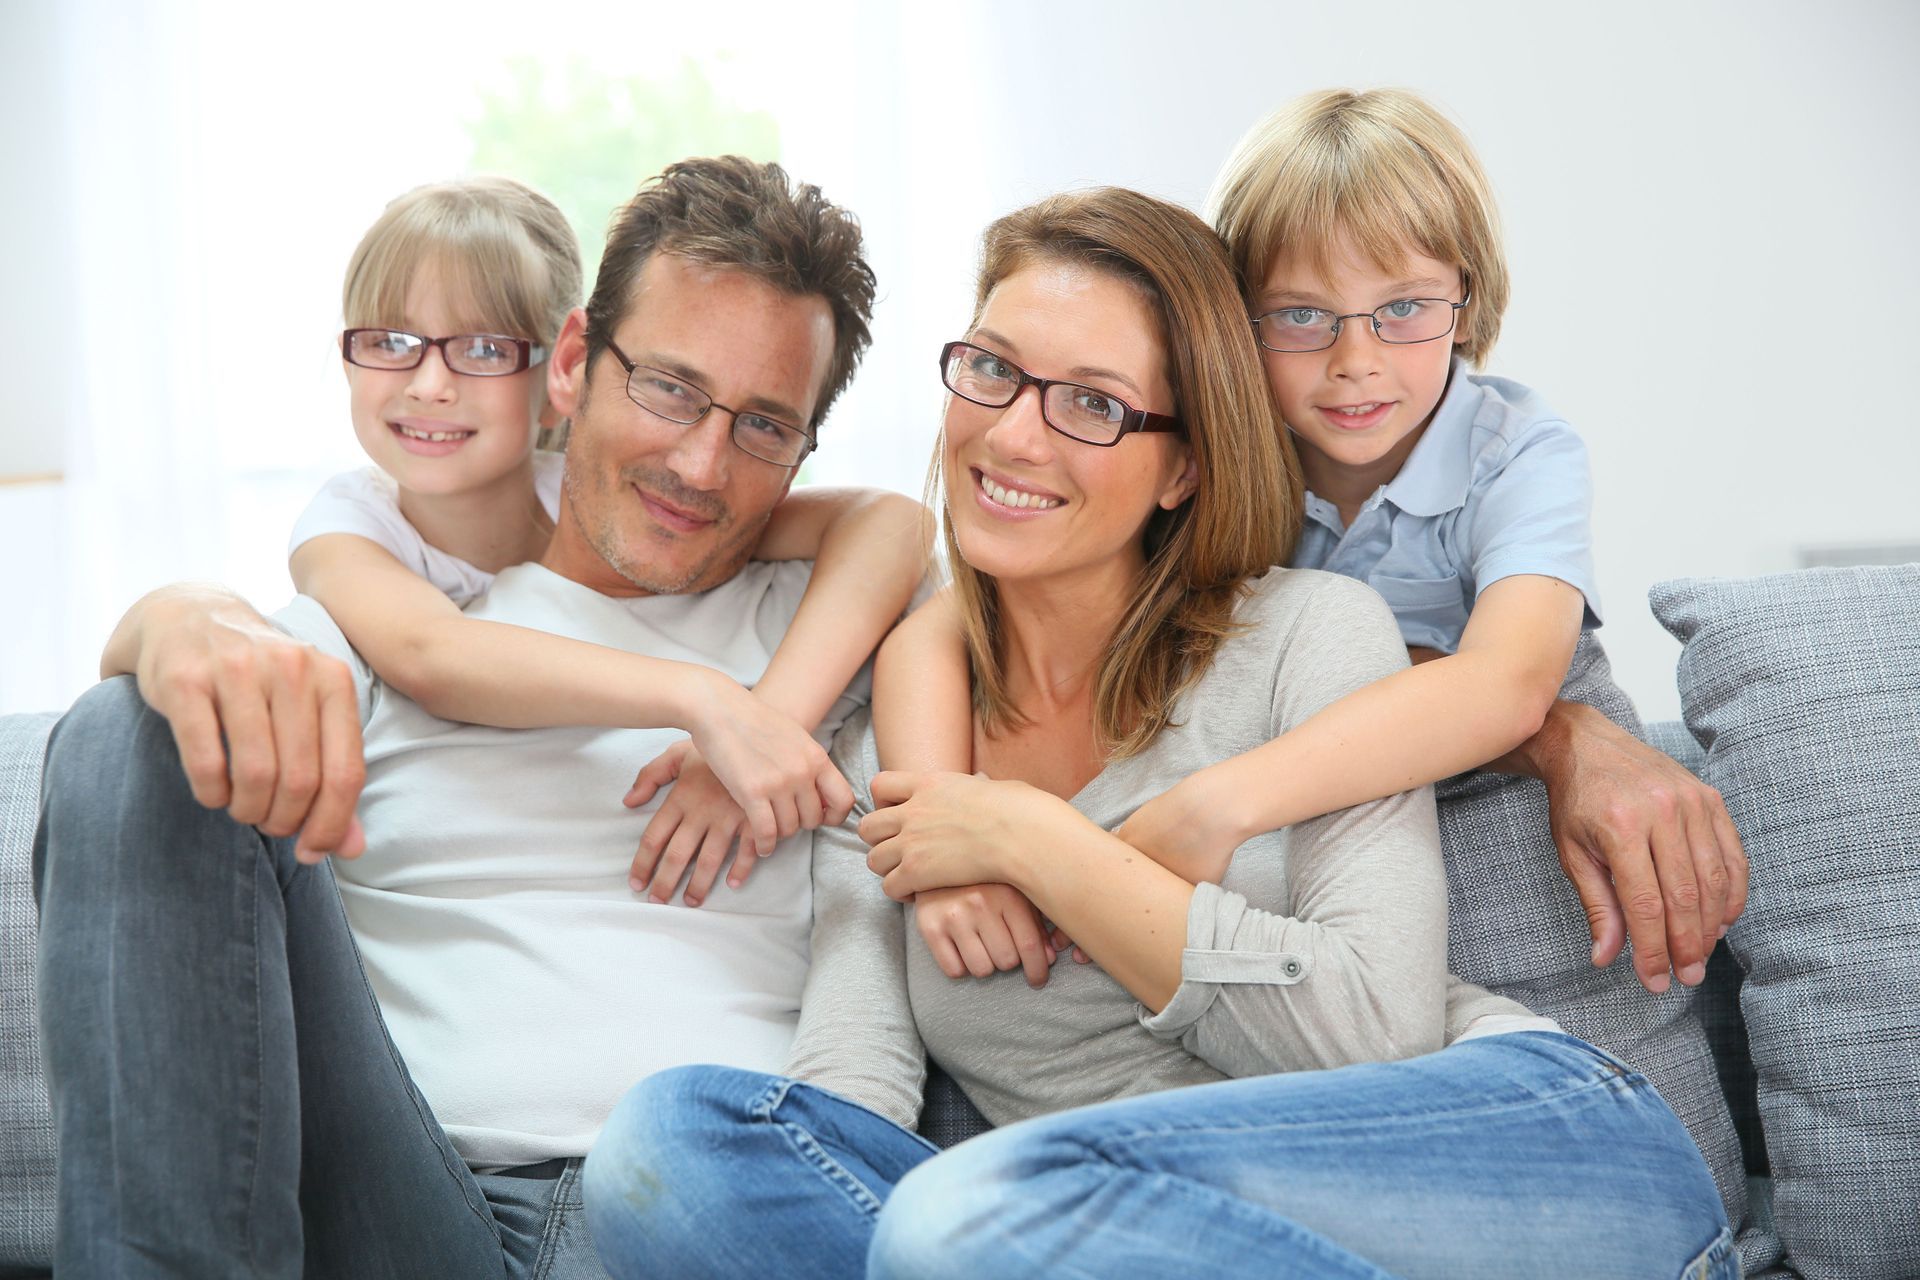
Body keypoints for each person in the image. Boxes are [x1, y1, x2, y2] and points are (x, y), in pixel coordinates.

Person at [581, 188, 1737, 1279]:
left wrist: (1040, 843)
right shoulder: (898, 728)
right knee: (670, 1146)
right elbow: (848, 1097)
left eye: (1091, 402)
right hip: (1073, 1238)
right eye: (992, 369)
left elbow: (1371, 1034)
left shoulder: (1313, 636)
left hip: (1520, 1157)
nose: (1016, 437)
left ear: (1184, 462)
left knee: (964, 1215)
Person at [33, 156, 905, 1278]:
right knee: (125, 729)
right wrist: (179, 614)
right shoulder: (407, 599)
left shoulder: (831, 624)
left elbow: (900, 525)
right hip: (406, 1203)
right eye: (670, 388)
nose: (700, 462)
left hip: (684, 1208)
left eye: (765, 426)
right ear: (579, 362)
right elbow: (180, 699)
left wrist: (765, 712)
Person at [881, 87, 1746, 1000]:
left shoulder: (1517, 453)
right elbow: (963, 616)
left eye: (1405, 308)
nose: (1355, 360)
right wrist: (945, 831)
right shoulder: (1212, 469)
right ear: (1232, 336)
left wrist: (1220, 804)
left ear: (1469, 295)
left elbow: (1507, 684)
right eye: (1299, 316)